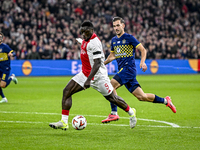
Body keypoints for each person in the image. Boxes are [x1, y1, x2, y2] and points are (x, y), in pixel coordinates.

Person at [49, 20, 137, 130]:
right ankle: (64, 122)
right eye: (82, 32)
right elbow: (86, 45)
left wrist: (88, 80)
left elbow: (97, 63)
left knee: (112, 98)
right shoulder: (86, 40)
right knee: (66, 91)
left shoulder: (95, 43)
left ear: (91, 31)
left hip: (98, 77)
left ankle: (131, 112)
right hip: (85, 74)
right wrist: (81, 41)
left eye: (85, 32)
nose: (83, 34)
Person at [101, 17, 176, 123]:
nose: (116, 28)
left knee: (110, 85)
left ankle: (114, 113)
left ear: (123, 25)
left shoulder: (129, 37)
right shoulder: (114, 40)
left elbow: (143, 49)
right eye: (114, 26)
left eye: (118, 25)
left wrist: (142, 62)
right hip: (124, 71)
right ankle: (166, 101)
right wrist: (101, 64)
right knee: (142, 96)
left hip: (128, 69)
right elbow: (112, 56)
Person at [0, 32, 18, 103]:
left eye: (1, 37)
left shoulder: (4, 46)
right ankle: (4, 98)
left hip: (5, 68)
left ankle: (12, 77)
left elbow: (14, 53)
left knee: (3, 85)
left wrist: (11, 54)